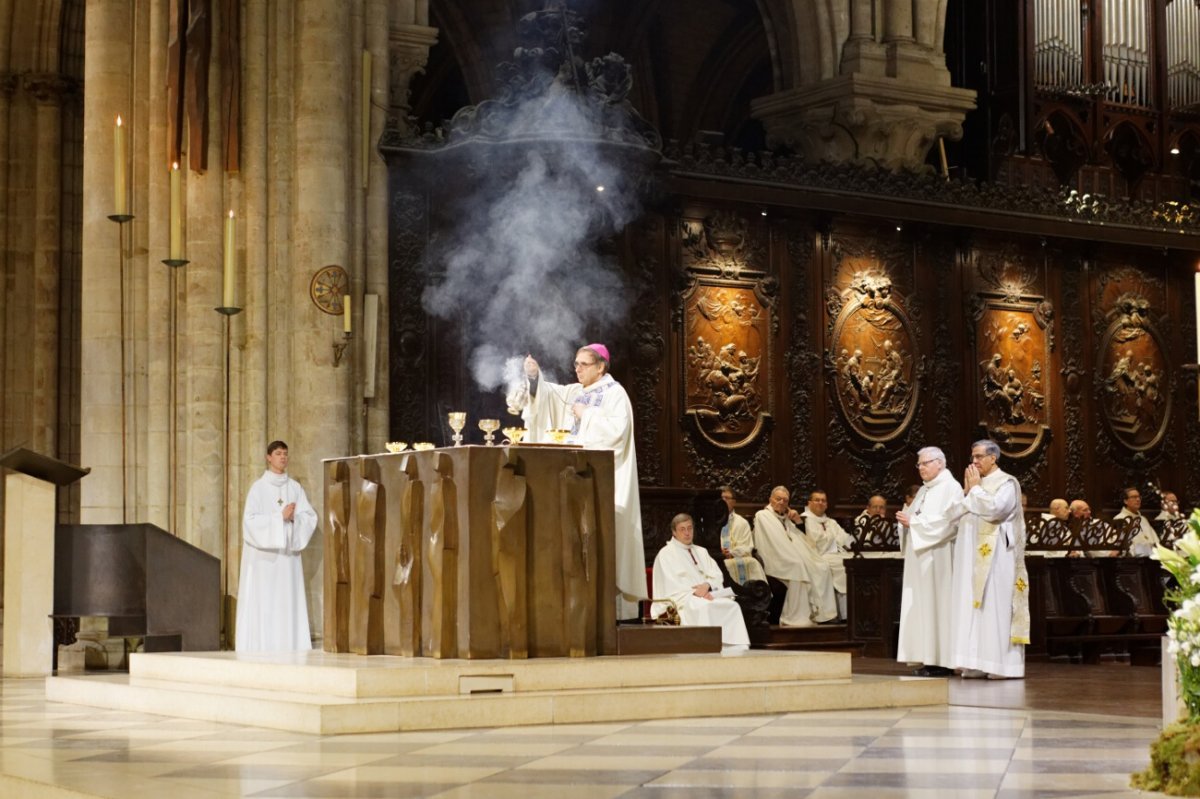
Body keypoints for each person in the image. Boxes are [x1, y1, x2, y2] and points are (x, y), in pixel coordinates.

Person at [515, 344, 648, 618]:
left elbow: (616, 433)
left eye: (584, 364)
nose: (577, 369)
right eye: (575, 364)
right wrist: (534, 376)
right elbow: (548, 396)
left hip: (601, 482)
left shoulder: (615, 394)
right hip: (569, 479)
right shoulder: (575, 392)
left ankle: (607, 614)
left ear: (600, 367)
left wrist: (586, 415)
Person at [951, 439, 1028, 679]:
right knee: (972, 608)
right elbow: (956, 514)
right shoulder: (976, 484)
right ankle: (975, 661)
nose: (974, 462)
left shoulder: (1007, 483)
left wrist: (974, 491)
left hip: (996, 559)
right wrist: (966, 493)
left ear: (993, 458)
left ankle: (1001, 665)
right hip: (971, 557)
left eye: (979, 457)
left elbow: (996, 509)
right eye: (972, 457)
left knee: (994, 606)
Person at [235, 440, 318, 652]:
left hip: (287, 559)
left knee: (286, 603)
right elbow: (249, 522)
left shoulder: (295, 488)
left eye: (285, 454)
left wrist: (293, 520)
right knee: (266, 603)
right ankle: (263, 646)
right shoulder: (258, 488)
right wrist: (278, 518)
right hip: (265, 560)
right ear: (268, 457)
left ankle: (289, 645)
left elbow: (309, 517)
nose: (283, 457)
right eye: (279, 453)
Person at [895, 446, 962, 677]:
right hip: (921, 558)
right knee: (923, 606)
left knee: (938, 605)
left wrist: (913, 523)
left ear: (940, 463)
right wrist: (905, 522)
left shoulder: (951, 488)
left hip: (939, 557)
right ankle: (926, 657)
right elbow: (914, 518)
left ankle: (942, 660)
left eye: (925, 463)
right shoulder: (925, 490)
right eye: (919, 464)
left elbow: (951, 522)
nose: (921, 468)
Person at [651, 513, 750, 652]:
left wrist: (708, 586)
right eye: (682, 529)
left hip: (708, 594)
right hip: (685, 598)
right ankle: (708, 647)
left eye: (690, 528)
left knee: (732, 606)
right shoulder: (666, 554)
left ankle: (735, 648)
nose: (687, 533)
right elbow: (670, 583)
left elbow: (717, 575)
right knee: (705, 607)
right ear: (674, 532)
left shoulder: (701, 551)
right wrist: (694, 592)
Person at [752, 486, 838, 626]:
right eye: (778, 499)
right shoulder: (763, 515)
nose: (781, 502)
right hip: (774, 558)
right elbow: (774, 542)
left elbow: (800, 539)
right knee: (798, 567)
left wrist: (797, 521)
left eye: (785, 500)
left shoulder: (784, 518)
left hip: (787, 555)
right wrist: (794, 557)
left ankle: (822, 614)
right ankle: (795, 617)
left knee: (820, 565)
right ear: (770, 500)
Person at [799, 490, 853, 620]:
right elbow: (813, 542)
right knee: (843, 566)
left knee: (853, 561)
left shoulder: (830, 522)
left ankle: (850, 612)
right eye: (817, 500)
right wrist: (831, 537)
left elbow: (844, 538)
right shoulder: (804, 520)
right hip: (818, 556)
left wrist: (855, 544)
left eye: (823, 500)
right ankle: (843, 614)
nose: (820, 503)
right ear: (809, 502)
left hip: (835, 554)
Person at [718, 485, 766, 585]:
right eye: (721, 498)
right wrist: (718, 552)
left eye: (726, 498)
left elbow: (747, 547)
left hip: (734, 558)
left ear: (734, 502)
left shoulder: (742, 522)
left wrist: (730, 553)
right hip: (715, 559)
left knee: (754, 563)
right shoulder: (708, 521)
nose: (723, 501)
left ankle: (756, 594)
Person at [1114, 486, 1161, 557]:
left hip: (1151, 558)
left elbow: (1155, 540)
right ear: (1125, 501)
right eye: (1134, 497)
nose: (1138, 499)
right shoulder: (1120, 519)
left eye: (1139, 497)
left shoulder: (1143, 519)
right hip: (1133, 561)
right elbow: (1121, 546)